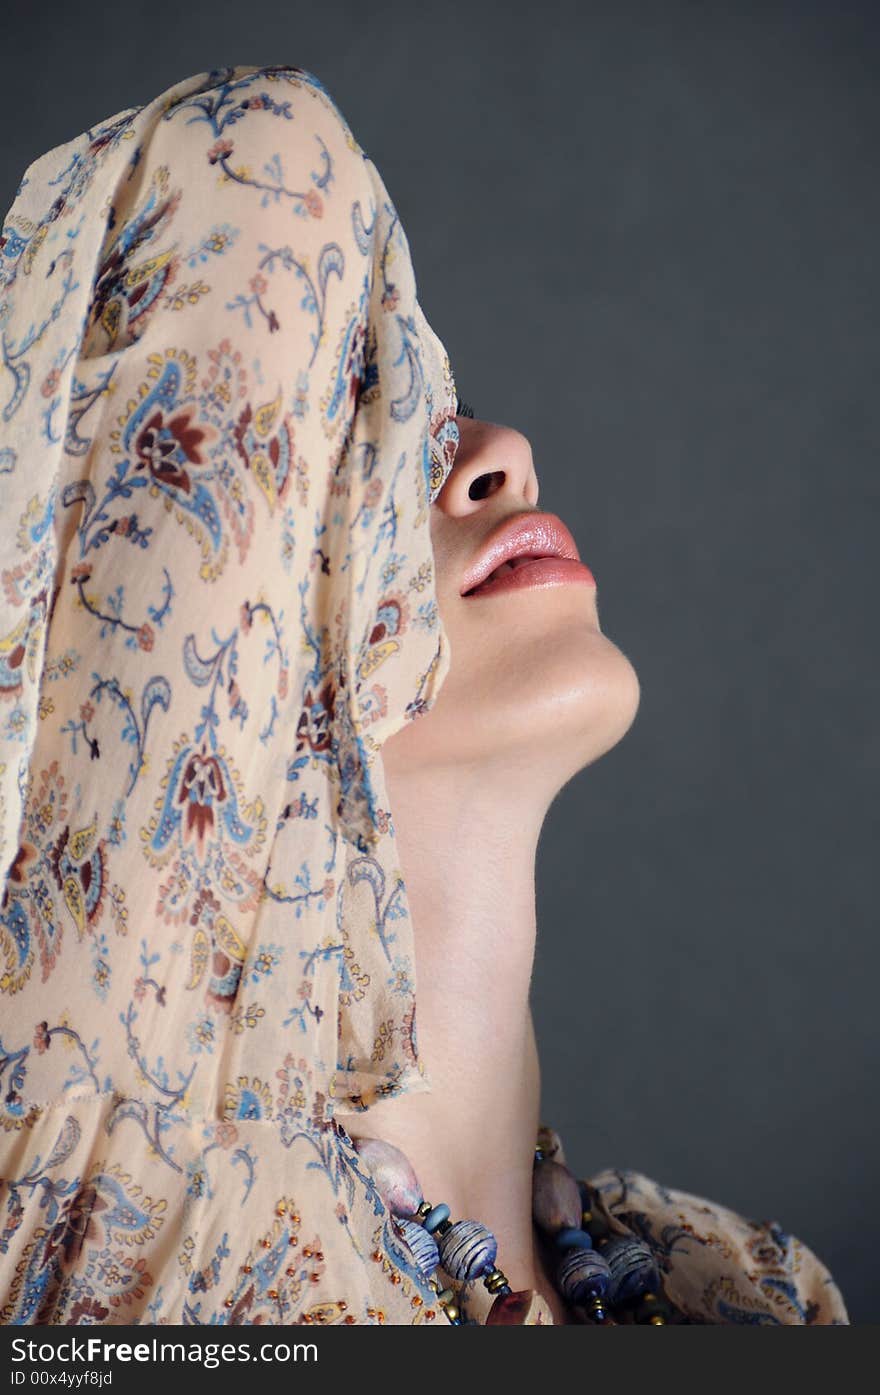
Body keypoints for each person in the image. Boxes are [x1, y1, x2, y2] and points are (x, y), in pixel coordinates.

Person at [0, 64, 847, 1326]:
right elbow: (259, 165)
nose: (497, 455)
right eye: (344, 445)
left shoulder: (753, 1302)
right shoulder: (112, 1243)